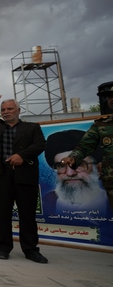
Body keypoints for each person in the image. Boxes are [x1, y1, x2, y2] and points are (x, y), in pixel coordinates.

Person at [0, 93, 47, 263]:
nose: (6, 112)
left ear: (18, 110)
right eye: (3, 109)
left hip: (25, 176)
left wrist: (21, 155)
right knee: (2, 213)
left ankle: (31, 250)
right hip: (1, 176)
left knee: (27, 214)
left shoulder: (32, 128)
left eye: (10, 109)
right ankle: (3, 248)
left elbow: (40, 144)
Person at [60, 81, 113, 212]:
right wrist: (73, 157)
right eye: (109, 96)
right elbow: (84, 147)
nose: (112, 99)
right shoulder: (102, 126)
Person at [44, 130, 108, 216]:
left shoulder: (109, 201)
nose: (70, 173)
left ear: (98, 169)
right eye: (62, 166)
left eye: (78, 164)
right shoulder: (47, 201)